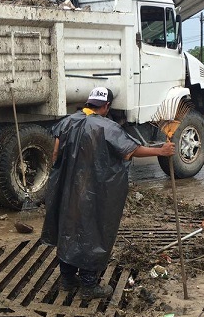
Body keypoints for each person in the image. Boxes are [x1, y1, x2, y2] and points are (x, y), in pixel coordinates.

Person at [41, 87, 175, 300]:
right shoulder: (107, 127)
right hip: (93, 192)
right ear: (106, 106)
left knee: (68, 231)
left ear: (88, 102)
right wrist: (160, 151)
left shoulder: (67, 122)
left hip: (67, 190)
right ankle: (88, 285)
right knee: (92, 234)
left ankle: (66, 280)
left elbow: (56, 153)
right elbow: (130, 150)